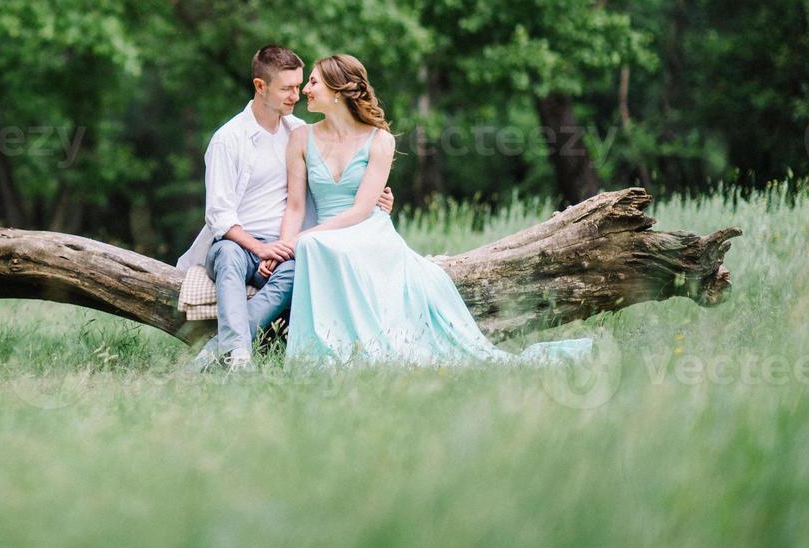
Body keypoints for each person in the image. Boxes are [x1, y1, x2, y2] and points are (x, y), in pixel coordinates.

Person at [277, 53, 594, 367]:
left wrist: (302, 238)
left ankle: (353, 350)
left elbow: (361, 210)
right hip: (329, 233)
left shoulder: (380, 141)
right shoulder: (301, 137)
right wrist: (281, 249)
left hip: (366, 230)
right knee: (313, 245)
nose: (305, 89)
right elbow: (294, 205)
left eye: (313, 82)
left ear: (338, 90)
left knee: (312, 243)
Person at [176, 45, 393, 372]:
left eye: (300, 85)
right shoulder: (229, 139)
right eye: (287, 88)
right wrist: (261, 249)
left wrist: (375, 197)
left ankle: (221, 350)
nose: (296, 95)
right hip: (238, 242)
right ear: (260, 87)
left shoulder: (299, 133)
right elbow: (219, 218)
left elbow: (329, 181)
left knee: (303, 269)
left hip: (284, 247)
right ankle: (239, 355)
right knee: (227, 256)